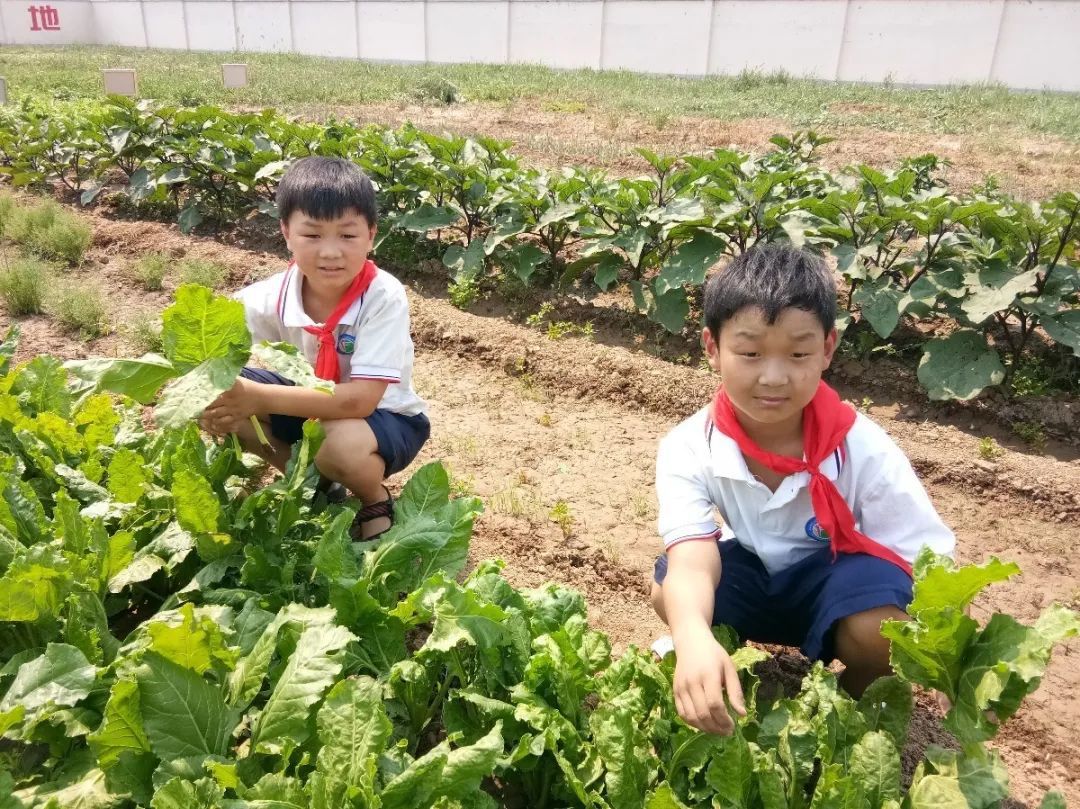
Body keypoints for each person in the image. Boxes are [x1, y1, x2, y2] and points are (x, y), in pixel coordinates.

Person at [650, 242, 954, 735]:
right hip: (759, 583)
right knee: (669, 588)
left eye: (798, 354)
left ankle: (850, 712)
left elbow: (927, 560)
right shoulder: (689, 445)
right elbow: (691, 557)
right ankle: (714, 664)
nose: (773, 377)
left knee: (884, 630)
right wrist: (690, 637)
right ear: (712, 349)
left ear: (827, 350)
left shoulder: (861, 447)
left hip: (831, 586)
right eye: (749, 353)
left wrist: (949, 657)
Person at [200, 156, 430, 541]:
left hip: (383, 419)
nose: (329, 252)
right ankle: (313, 484)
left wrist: (255, 397)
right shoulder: (268, 296)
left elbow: (360, 402)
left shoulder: (382, 296)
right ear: (286, 233)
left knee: (337, 444)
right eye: (312, 235)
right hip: (307, 406)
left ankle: (374, 499)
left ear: (371, 235)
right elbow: (210, 336)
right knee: (215, 397)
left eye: (347, 235)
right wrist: (208, 391)